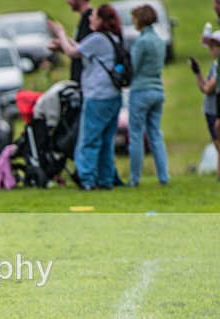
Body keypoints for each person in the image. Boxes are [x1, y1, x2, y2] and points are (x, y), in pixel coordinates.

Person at [50, 5, 123, 190]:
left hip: (97, 97)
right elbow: (80, 48)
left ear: (101, 21)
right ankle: (106, 179)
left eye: (94, 16)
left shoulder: (97, 38)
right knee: (106, 142)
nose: (90, 18)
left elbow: (72, 52)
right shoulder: (113, 37)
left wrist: (60, 33)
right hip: (113, 97)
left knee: (89, 140)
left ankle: (87, 179)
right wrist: (64, 42)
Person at [128, 4, 169, 187]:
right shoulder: (159, 40)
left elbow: (133, 67)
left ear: (140, 20)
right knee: (156, 135)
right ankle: (163, 176)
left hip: (141, 90)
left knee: (136, 135)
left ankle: (134, 178)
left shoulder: (142, 41)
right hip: (158, 90)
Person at [191, 31, 220, 180]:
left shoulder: (217, 67)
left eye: (214, 46)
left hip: (216, 110)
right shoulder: (215, 65)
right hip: (211, 109)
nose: (211, 49)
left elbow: (208, 88)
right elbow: (204, 87)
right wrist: (197, 72)